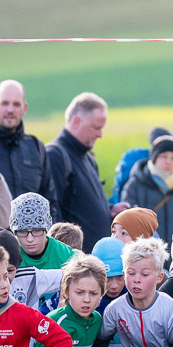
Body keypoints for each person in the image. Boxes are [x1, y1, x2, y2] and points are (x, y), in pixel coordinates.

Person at [45, 93, 114, 250]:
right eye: (96, 128)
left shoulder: (88, 157)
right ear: (76, 121)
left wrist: (110, 210)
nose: (100, 134)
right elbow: (52, 213)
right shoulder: (55, 155)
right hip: (75, 259)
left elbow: (81, 205)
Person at [0, 80, 50, 202]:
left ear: (24, 108)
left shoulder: (36, 147)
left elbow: (50, 200)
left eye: (16, 104)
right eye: (4, 103)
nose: (10, 109)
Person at [121, 135, 173, 235]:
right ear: (154, 157)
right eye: (164, 156)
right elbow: (127, 222)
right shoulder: (136, 183)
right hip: (147, 244)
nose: (168, 162)